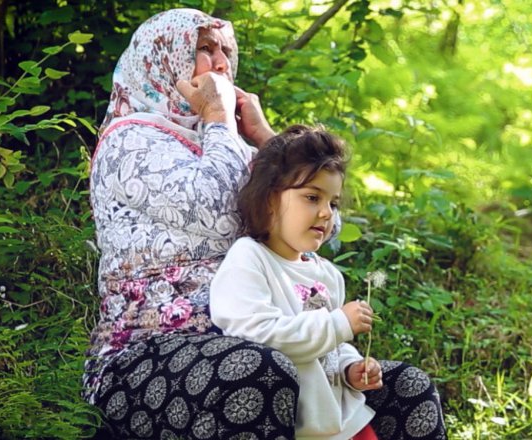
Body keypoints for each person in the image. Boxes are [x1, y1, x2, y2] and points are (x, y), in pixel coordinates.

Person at [84, 9, 302, 438]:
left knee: (404, 389)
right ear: (163, 59)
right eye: (204, 49)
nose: (221, 63)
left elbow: (317, 224)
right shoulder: (128, 142)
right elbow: (218, 214)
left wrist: (268, 141)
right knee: (256, 371)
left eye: (225, 51)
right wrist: (219, 119)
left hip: (260, 335)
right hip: (145, 355)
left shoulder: (232, 145)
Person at [210, 125, 447, 440]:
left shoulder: (327, 275)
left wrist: (351, 368)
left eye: (333, 204)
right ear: (269, 199)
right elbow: (255, 335)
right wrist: (338, 323)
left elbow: (331, 348)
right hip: (285, 424)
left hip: (344, 423)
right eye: (312, 197)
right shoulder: (250, 258)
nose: (326, 213)